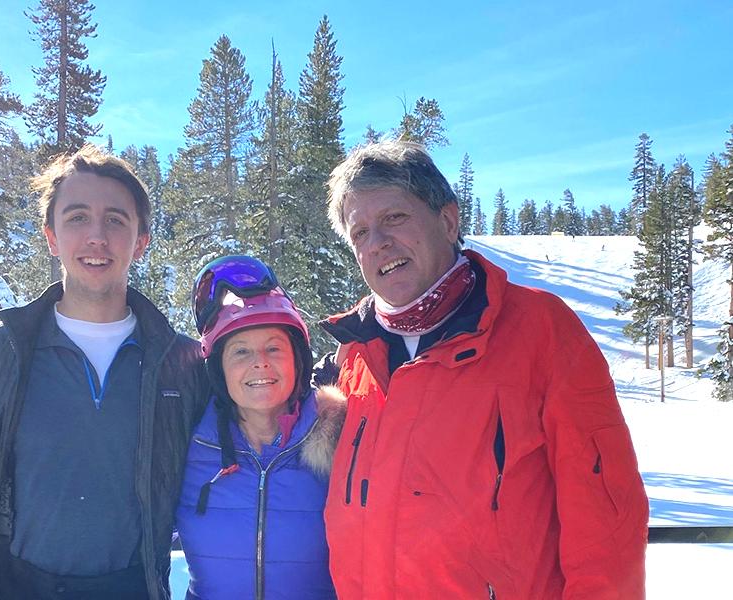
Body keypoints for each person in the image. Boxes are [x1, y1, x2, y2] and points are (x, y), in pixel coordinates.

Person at [319, 141, 649, 599]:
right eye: (360, 233)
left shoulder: (540, 331)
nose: (377, 243)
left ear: (448, 220)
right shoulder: (357, 353)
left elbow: (605, 520)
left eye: (394, 218)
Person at [0, 144, 207, 600]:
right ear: (51, 236)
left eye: (115, 219)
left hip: (129, 589)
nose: (97, 236)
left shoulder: (183, 365)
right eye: (77, 218)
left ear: (141, 241)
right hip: (8, 586)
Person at [175, 256, 342, 600]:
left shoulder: (344, 442)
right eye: (240, 351)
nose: (259, 362)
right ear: (218, 370)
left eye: (274, 348)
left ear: (298, 359)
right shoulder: (187, 444)